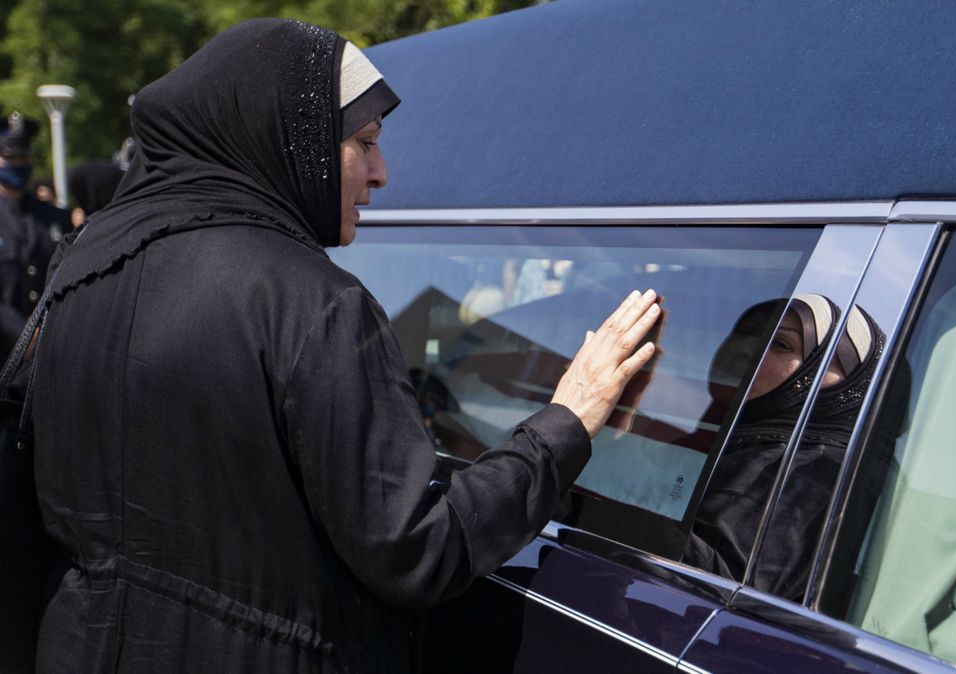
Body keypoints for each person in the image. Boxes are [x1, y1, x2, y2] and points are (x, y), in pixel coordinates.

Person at [18, 19, 660, 672]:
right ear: (287, 138)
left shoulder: (84, 266)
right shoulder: (311, 301)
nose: (383, 173)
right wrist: (568, 421)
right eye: (364, 141)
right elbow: (416, 550)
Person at [684, 294, 883, 601]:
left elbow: (716, 592)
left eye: (780, 344)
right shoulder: (719, 441)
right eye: (746, 332)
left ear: (840, 382)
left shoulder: (812, 472)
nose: (747, 350)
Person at [0, 112, 72, 358]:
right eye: (11, 157)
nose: (19, 163)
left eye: (24, 156)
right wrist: (24, 336)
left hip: (49, 351)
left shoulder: (55, 218)